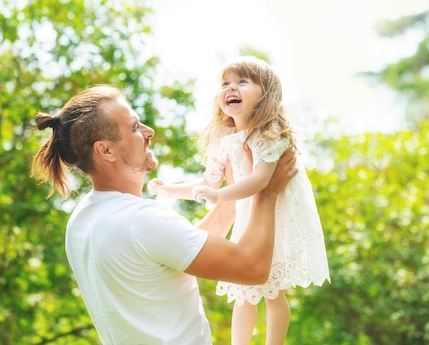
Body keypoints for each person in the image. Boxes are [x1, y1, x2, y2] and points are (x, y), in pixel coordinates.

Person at [29, 84, 298, 345]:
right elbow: (252, 268)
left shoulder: (83, 220)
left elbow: (177, 248)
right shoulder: (141, 221)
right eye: (135, 127)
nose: (149, 131)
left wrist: (232, 198)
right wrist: (266, 192)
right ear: (105, 150)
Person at [148, 57, 330, 345]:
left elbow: (259, 180)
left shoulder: (270, 135)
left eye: (242, 82)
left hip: (274, 217)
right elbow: (208, 182)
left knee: (272, 289)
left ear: (265, 94)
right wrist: (172, 190)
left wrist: (219, 195)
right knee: (242, 289)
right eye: (225, 84)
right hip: (249, 214)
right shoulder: (223, 137)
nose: (231, 88)